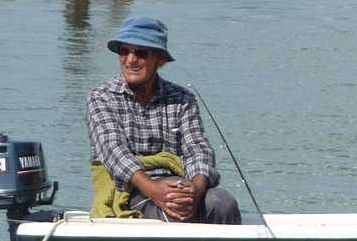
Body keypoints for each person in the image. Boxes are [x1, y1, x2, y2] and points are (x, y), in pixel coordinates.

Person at [87, 16, 241, 224]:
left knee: (223, 203)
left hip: (180, 187)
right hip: (130, 191)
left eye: (141, 53)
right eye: (124, 51)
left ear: (161, 60)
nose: (131, 60)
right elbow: (114, 152)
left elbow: (199, 150)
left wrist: (195, 189)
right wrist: (154, 190)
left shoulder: (182, 98)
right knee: (173, 212)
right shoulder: (101, 98)